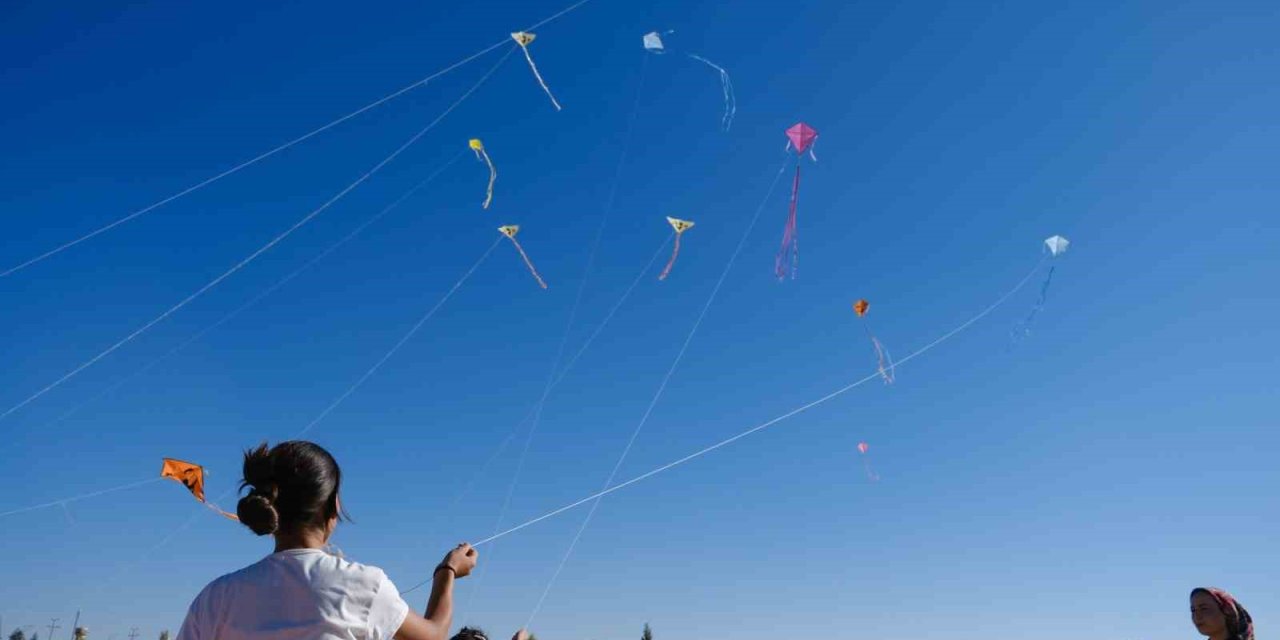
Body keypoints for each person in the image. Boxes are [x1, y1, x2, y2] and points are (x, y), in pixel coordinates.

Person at [177, 440, 477, 640]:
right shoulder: (365, 584)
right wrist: (447, 571)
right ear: (330, 507)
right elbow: (434, 634)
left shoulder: (216, 597)